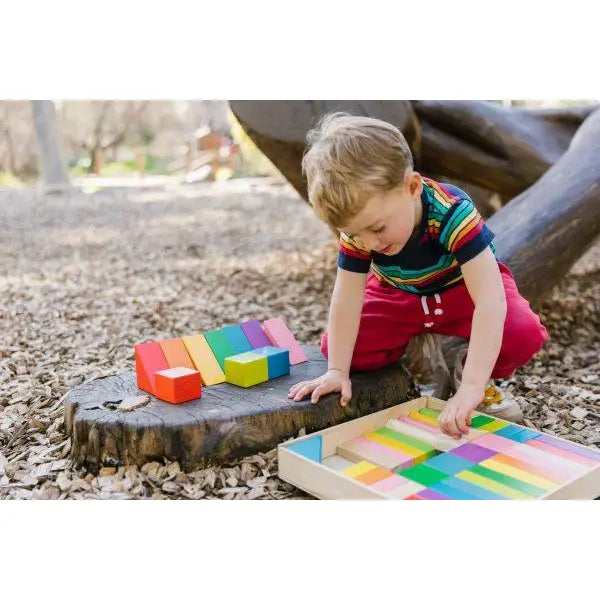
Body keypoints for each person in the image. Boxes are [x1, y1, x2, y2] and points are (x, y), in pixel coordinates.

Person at [288, 112, 548, 438]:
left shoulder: (451, 212)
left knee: (522, 332)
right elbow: (347, 296)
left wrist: (471, 387)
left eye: (377, 228)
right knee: (339, 346)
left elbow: (489, 299)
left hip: (460, 293)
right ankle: (422, 351)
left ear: (411, 186)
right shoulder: (362, 227)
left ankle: (471, 366)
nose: (369, 243)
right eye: (355, 233)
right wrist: (337, 370)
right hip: (399, 295)